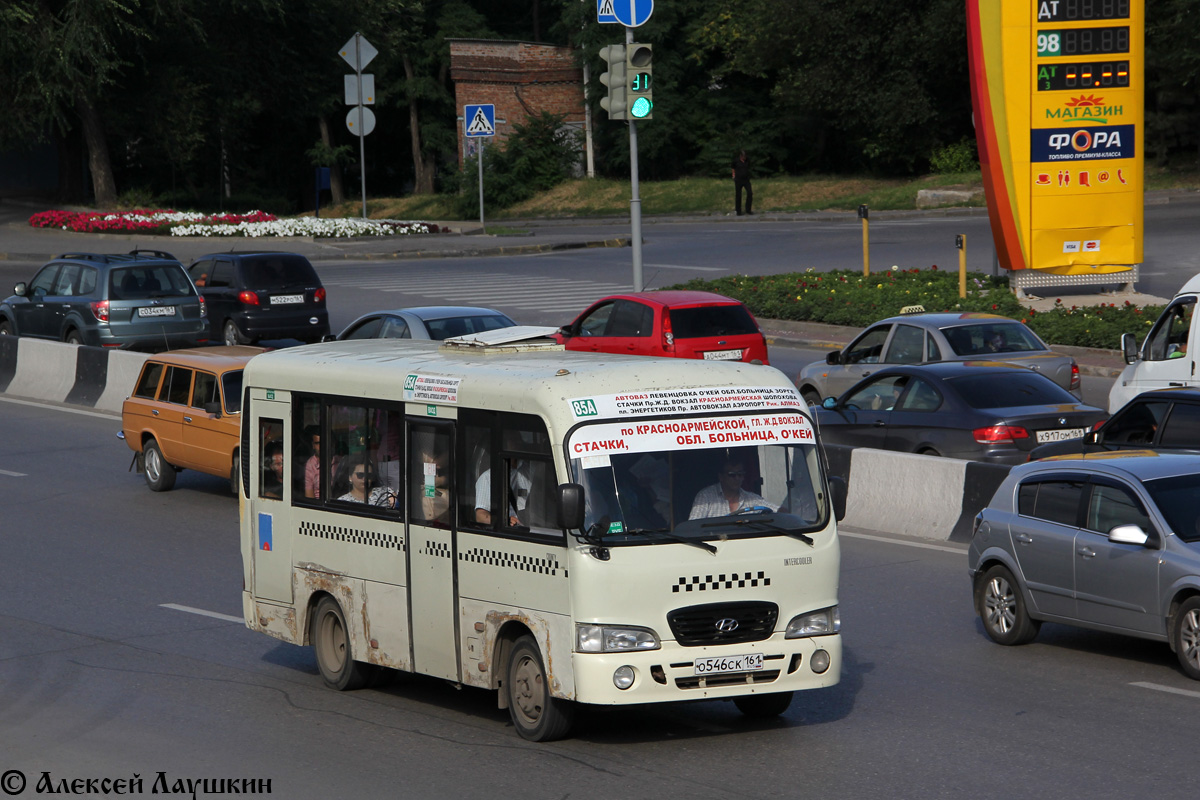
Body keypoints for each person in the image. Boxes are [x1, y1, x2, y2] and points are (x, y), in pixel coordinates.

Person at [689, 458, 777, 519]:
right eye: (732, 475)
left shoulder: (752, 499)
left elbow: (779, 511)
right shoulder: (705, 497)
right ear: (721, 477)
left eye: (740, 474)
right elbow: (693, 527)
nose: (737, 478)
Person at [475, 459, 531, 526]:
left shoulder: (531, 469)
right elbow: (481, 517)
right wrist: (505, 521)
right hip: (508, 530)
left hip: (534, 528)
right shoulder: (488, 477)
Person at [732, 150, 753, 216]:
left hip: (746, 179)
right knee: (738, 195)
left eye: (745, 156)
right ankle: (738, 211)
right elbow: (733, 167)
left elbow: (749, 166)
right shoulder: (736, 161)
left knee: (750, 193)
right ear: (741, 156)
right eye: (744, 156)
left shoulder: (747, 160)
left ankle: (748, 210)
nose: (745, 158)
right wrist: (733, 175)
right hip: (738, 180)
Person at [303, 425, 322, 498]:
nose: (321, 447)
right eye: (317, 443)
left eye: (324, 442)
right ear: (313, 445)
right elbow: (309, 496)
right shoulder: (310, 464)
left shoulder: (338, 460)